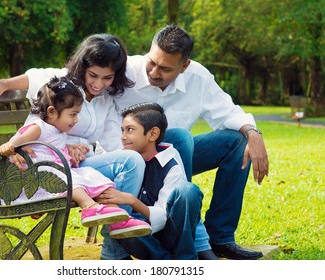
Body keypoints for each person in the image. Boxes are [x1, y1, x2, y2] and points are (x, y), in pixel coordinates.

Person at [0, 34, 148, 259]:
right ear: (83, 66)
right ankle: (114, 245)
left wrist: (83, 147)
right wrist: (4, 84)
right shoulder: (63, 87)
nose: (98, 84)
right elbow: (34, 78)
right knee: (131, 161)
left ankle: (118, 224)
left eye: (107, 78)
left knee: (132, 160)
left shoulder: (105, 99)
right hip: (44, 165)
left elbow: (113, 143)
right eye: (93, 75)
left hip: (73, 164)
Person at [110, 25, 269, 260]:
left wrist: (253, 134)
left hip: (174, 161)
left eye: (165, 68)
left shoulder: (198, 77)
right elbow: (80, 79)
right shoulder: (125, 71)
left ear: (184, 66)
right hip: (133, 163)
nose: (154, 72)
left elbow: (227, 112)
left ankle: (221, 237)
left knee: (235, 142)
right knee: (179, 138)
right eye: (152, 62)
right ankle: (196, 237)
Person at [0, 76, 152, 238]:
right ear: (51, 112)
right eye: (73, 114)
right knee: (72, 178)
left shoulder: (56, 129)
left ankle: (119, 218)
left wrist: (69, 148)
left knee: (92, 176)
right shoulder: (37, 127)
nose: (76, 120)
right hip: (37, 180)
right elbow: (13, 143)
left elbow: (50, 147)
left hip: (56, 174)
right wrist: (10, 148)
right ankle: (90, 207)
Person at [97, 102, 203, 259]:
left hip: (169, 234)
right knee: (122, 221)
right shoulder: (121, 161)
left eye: (130, 130)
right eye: (123, 130)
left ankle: (184, 260)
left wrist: (131, 200)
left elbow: (161, 216)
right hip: (138, 237)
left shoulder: (170, 163)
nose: (123, 137)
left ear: (153, 134)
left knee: (188, 191)